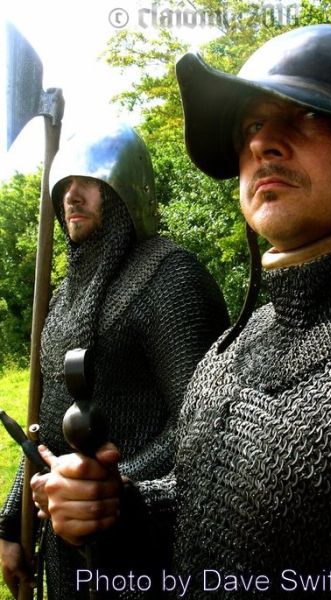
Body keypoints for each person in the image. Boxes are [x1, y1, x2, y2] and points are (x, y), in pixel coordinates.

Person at [29, 25, 331, 599]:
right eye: (252, 126)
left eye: (308, 115)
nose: (263, 144)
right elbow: (202, 504)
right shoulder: (232, 351)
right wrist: (121, 506)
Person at [0, 123, 229, 599]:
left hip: (150, 546)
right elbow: (42, 426)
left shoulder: (171, 277)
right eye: (63, 187)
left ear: (125, 189)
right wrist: (10, 522)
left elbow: (208, 427)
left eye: (89, 182)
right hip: (68, 550)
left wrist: (111, 493)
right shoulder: (61, 300)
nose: (71, 197)